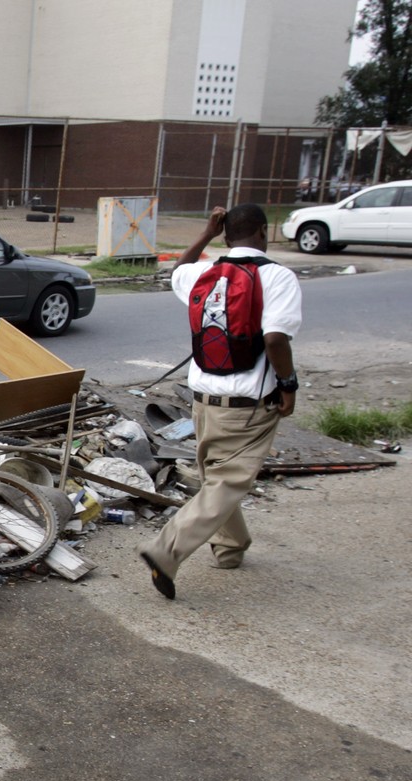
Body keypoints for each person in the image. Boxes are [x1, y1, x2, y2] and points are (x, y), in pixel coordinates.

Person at [137, 203, 302, 600]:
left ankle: (231, 548)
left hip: (203, 400)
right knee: (228, 482)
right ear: (263, 232)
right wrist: (289, 386)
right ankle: (165, 550)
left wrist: (205, 235)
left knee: (218, 480)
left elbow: (178, 269)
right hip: (247, 406)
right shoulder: (277, 277)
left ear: (225, 233)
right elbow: (276, 339)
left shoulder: (203, 273)